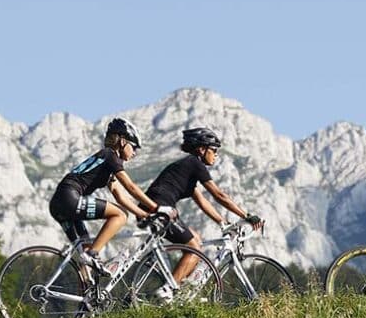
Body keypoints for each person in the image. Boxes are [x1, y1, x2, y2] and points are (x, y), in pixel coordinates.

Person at [146, 127, 264, 302]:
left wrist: (222, 222)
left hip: (155, 207)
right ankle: (168, 291)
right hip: (160, 209)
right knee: (194, 248)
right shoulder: (195, 164)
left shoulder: (188, 168)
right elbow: (219, 195)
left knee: (196, 239)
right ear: (202, 149)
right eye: (214, 150)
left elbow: (202, 202)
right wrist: (247, 215)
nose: (216, 155)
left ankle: (178, 289)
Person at [48, 118, 174, 275]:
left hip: (59, 203)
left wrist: (145, 214)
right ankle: (94, 254)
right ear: (122, 142)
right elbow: (131, 188)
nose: (135, 152)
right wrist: (157, 208)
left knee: (84, 252)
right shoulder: (110, 156)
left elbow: (121, 197)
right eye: (134, 147)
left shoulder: (105, 162)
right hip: (70, 198)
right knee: (120, 215)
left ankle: (87, 295)